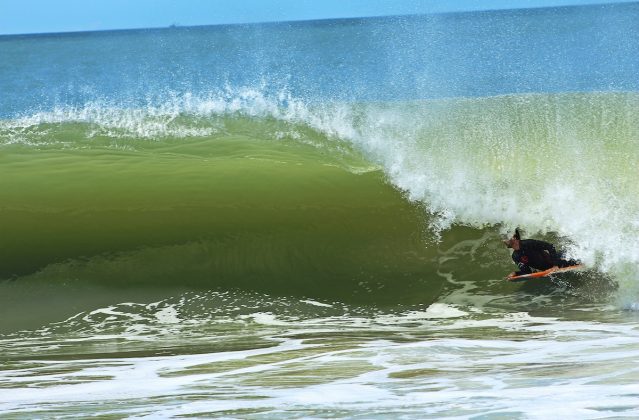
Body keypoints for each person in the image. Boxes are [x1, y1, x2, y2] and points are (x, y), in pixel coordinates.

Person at [503, 229, 578, 278]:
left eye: (506, 237)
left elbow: (550, 246)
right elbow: (527, 272)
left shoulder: (529, 243)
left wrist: (555, 265)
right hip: (548, 268)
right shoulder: (515, 256)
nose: (503, 240)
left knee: (578, 260)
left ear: (514, 238)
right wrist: (515, 273)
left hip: (560, 261)